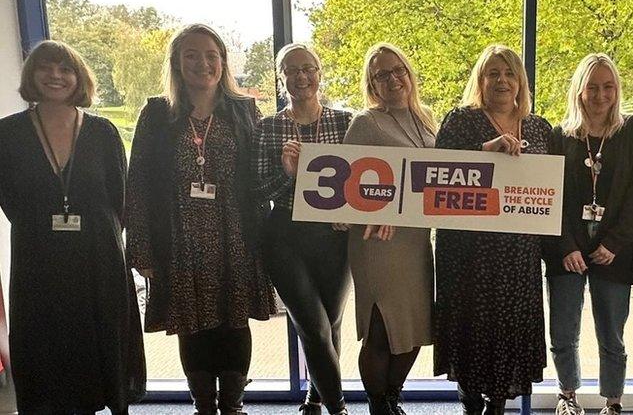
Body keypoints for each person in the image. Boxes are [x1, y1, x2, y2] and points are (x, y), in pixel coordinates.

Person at [126, 24, 276, 415]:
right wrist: (139, 247)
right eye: (191, 54)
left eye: (211, 55)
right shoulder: (156, 113)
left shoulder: (244, 109)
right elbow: (137, 182)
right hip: (177, 237)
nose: (202, 63)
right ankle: (203, 406)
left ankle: (233, 405)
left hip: (236, 235)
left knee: (234, 322)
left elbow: (262, 173)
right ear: (176, 62)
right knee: (190, 324)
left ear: (223, 61)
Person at [0, 40, 146, 414]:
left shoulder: (103, 132)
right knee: (46, 351)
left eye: (65, 69)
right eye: (45, 67)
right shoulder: (8, 134)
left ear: (79, 77)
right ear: (31, 74)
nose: (55, 76)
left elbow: (120, 198)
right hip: (38, 262)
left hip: (99, 257)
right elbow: (10, 200)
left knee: (100, 348)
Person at [433, 44, 550, 414]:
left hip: (519, 253)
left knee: (508, 329)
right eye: (493, 74)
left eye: (509, 74)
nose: (502, 81)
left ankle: (498, 405)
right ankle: (470, 401)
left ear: (521, 82)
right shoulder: (460, 120)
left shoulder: (539, 126)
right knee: (471, 326)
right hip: (467, 250)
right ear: (480, 81)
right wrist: (487, 149)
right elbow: (438, 173)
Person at [546, 54, 633, 415]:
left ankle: (613, 401)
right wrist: (565, 246)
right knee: (564, 333)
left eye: (608, 86)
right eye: (592, 86)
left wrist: (615, 243)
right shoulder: (559, 137)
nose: (600, 94)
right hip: (567, 251)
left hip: (615, 252)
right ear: (579, 91)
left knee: (612, 335)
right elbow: (549, 197)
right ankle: (568, 396)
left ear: (617, 90)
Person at [251, 42, 352, 415]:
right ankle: (338, 408)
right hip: (285, 235)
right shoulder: (268, 127)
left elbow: (359, 184)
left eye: (307, 68)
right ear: (281, 80)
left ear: (319, 73)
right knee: (313, 326)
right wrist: (289, 175)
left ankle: (314, 397)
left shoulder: (346, 121)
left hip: (335, 234)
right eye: (291, 70)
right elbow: (257, 190)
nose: (301, 76)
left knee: (331, 322)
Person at [343, 43, 438, 415]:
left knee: (413, 330)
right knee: (382, 329)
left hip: (415, 242)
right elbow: (347, 188)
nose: (393, 78)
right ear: (372, 83)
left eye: (398, 70)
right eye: (382, 74)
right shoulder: (365, 122)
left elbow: (440, 177)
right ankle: (378, 404)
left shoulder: (427, 118)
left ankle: (393, 394)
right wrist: (377, 209)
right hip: (377, 243)